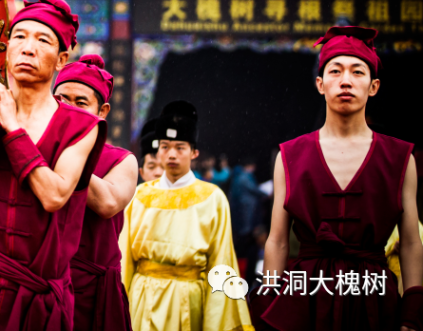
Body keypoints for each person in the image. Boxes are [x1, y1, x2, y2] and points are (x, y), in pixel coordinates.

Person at [0, 0, 105, 331]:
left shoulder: (82, 126)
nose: (28, 48)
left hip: (37, 304)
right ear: (7, 49)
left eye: (43, 41)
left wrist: (12, 127)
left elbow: (55, 196)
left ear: (61, 59)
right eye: (20, 37)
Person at [256, 26, 423, 330]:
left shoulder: (401, 158)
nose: (345, 80)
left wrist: (412, 312)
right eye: (335, 71)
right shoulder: (290, 155)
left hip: (374, 295)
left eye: (357, 72)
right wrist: (269, 303)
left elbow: (410, 242)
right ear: (320, 84)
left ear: (373, 86)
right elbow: (278, 240)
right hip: (307, 292)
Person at [120, 100, 252, 331]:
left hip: (190, 299)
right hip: (143, 298)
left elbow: (221, 261)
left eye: (180, 148)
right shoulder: (138, 196)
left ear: (194, 152)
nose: (171, 154)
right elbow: (123, 262)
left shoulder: (212, 197)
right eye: (165, 146)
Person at [55, 53, 137, 331]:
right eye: (61, 99)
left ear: (102, 112)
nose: (68, 108)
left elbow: (107, 203)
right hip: (43, 282)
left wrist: (61, 154)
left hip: (91, 291)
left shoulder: (122, 159)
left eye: (81, 103)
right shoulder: (33, 147)